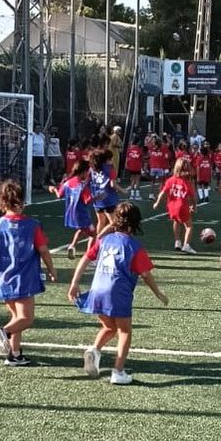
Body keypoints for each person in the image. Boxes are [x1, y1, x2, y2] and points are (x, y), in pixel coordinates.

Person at [68, 201, 169, 386]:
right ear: (135, 223)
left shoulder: (104, 240)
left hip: (97, 289)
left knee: (109, 327)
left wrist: (74, 283)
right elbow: (146, 275)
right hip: (117, 292)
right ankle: (118, 372)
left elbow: (85, 258)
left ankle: (94, 350)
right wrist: (159, 293)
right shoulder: (134, 246)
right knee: (125, 331)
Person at [0, 180, 57, 367]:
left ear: (2, 203)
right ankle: (2, 331)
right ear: (21, 202)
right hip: (24, 279)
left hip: (3, 279)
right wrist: (52, 269)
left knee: (17, 317)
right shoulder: (32, 225)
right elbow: (43, 250)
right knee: (26, 319)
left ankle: (14, 354)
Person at [48, 158, 94, 259]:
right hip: (82, 214)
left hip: (72, 213)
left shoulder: (68, 182)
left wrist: (54, 189)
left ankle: (72, 246)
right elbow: (88, 200)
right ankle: (90, 255)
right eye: (88, 172)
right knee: (94, 234)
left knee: (82, 230)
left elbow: (59, 195)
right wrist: (100, 197)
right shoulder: (82, 186)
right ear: (84, 172)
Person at [152, 156, 197, 254]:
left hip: (171, 207)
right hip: (182, 206)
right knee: (189, 226)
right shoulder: (187, 183)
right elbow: (192, 197)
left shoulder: (170, 180)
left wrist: (157, 203)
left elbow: (162, 193)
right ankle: (186, 245)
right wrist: (194, 206)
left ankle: (177, 242)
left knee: (176, 221)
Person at [88, 148, 119, 238]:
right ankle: (102, 237)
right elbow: (113, 185)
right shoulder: (109, 168)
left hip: (97, 198)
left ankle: (98, 243)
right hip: (107, 198)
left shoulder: (92, 169)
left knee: (100, 221)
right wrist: (123, 190)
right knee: (114, 222)